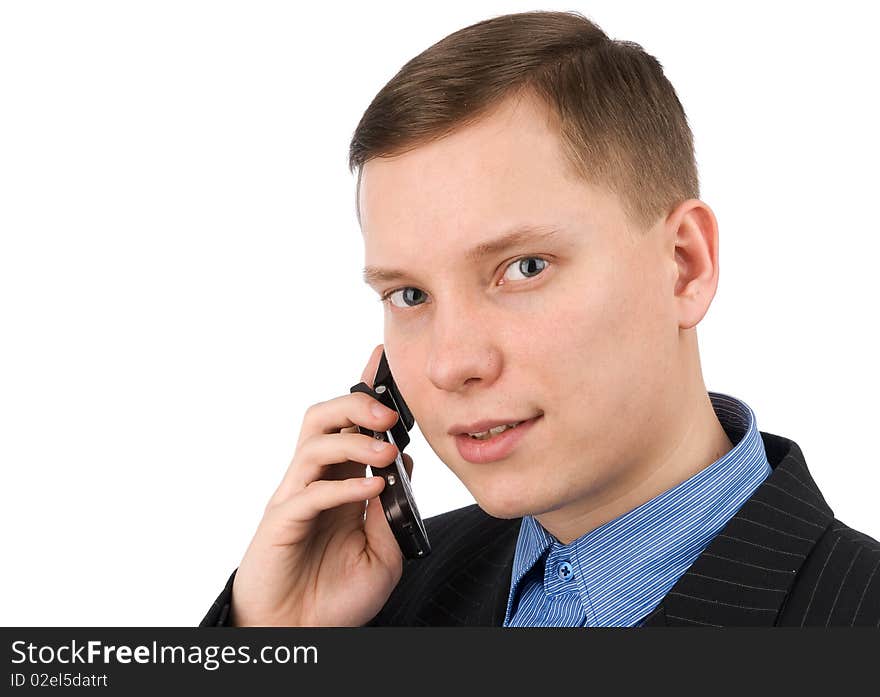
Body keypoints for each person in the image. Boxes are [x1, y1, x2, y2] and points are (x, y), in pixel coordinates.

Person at [200, 10, 880, 627]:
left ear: (685, 266)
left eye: (523, 267)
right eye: (409, 294)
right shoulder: (372, 603)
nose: (450, 363)